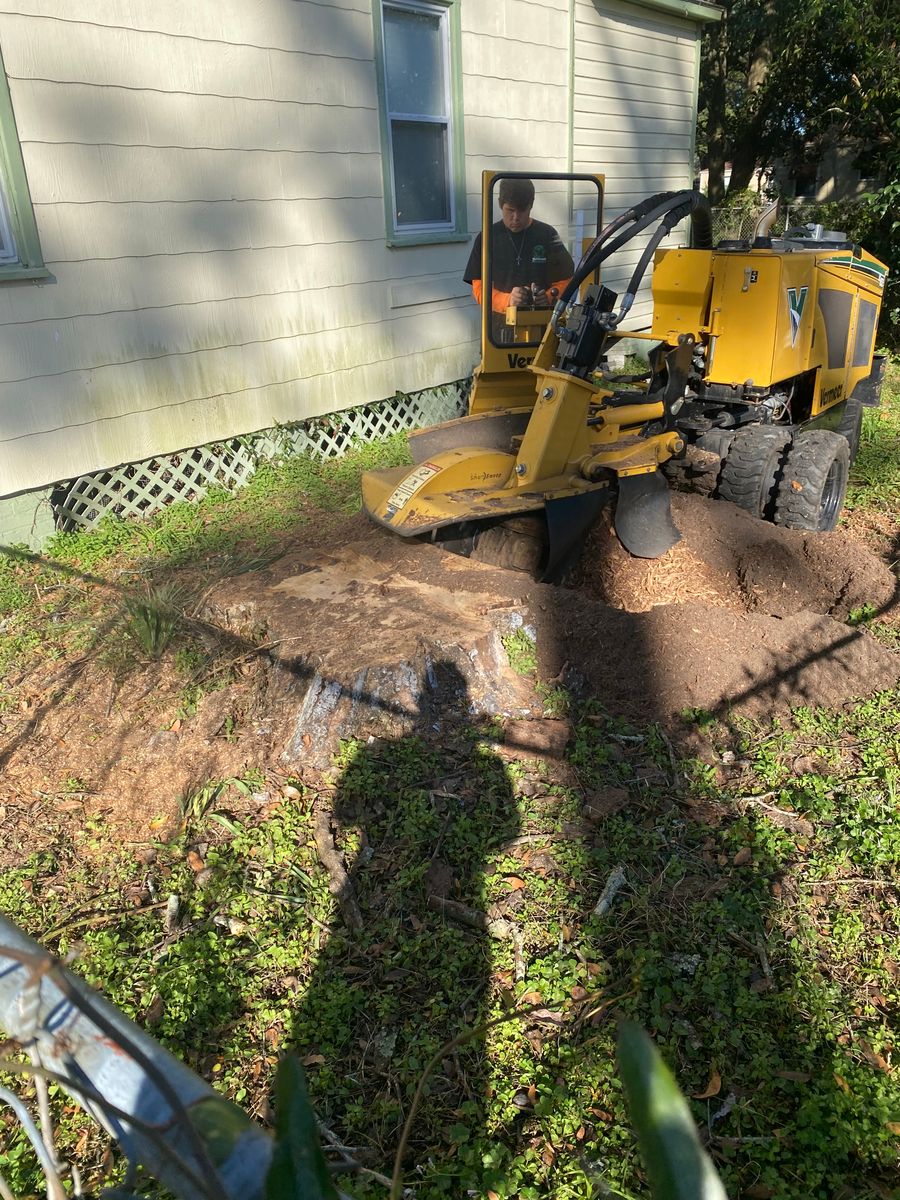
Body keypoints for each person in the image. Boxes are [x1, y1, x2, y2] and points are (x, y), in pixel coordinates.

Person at [463, 178, 574, 329]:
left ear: (531, 205)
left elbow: (566, 279)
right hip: (498, 332)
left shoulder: (547, 235)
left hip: (542, 327)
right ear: (500, 204)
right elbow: (479, 289)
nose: (516, 217)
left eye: (522, 211)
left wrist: (548, 297)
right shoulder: (487, 238)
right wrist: (508, 300)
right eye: (510, 210)